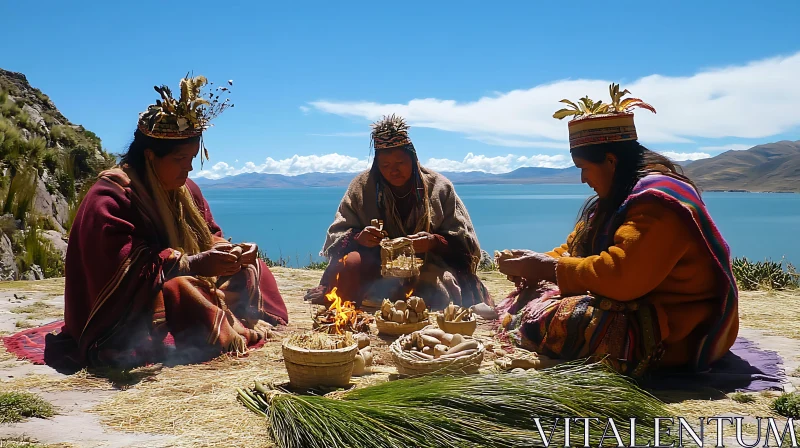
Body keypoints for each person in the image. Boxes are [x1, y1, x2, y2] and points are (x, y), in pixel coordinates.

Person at [495, 84, 739, 376]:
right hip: (636, 309)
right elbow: (574, 250)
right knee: (537, 296)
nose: (583, 179)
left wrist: (549, 269)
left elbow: (622, 276)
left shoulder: (659, 203)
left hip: (674, 331)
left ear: (611, 161)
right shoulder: (617, 198)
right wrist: (532, 264)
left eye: (583, 167)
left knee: (568, 320)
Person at [62, 75, 289, 368]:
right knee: (182, 288)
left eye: (193, 158)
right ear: (150, 156)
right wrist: (192, 264)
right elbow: (120, 268)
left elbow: (209, 234)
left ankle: (226, 319)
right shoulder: (110, 196)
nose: (189, 167)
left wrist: (232, 253)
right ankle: (217, 329)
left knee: (251, 268)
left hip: (187, 277)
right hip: (135, 304)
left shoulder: (186, 189)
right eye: (181, 159)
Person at [306, 114, 493, 312]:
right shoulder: (362, 187)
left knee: (439, 289)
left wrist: (433, 241)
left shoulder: (439, 187)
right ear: (377, 165)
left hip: (428, 263)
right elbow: (339, 232)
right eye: (385, 165)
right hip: (376, 265)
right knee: (349, 266)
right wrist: (360, 238)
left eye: (400, 163)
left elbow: (463, 241)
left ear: (413, 159)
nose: (393, 171)